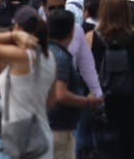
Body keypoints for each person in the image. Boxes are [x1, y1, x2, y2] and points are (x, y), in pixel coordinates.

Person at [0, 6, 57, 159]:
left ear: (18, 27)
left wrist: (12, 35)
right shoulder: (49, 56)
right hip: (41, 134)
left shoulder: (22, 56)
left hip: (19, 137)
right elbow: (51, 100)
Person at [86, 0, 134, 159]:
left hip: (102, 100)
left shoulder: (91, 37)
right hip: (130, 98)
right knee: (127, 149)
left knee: (103, 150)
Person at [47, 8, 103, 159]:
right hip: (59, 127)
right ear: (72, 31)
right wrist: (88, 100)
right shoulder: (61, 57)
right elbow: (61, 94)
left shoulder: (45, 52)